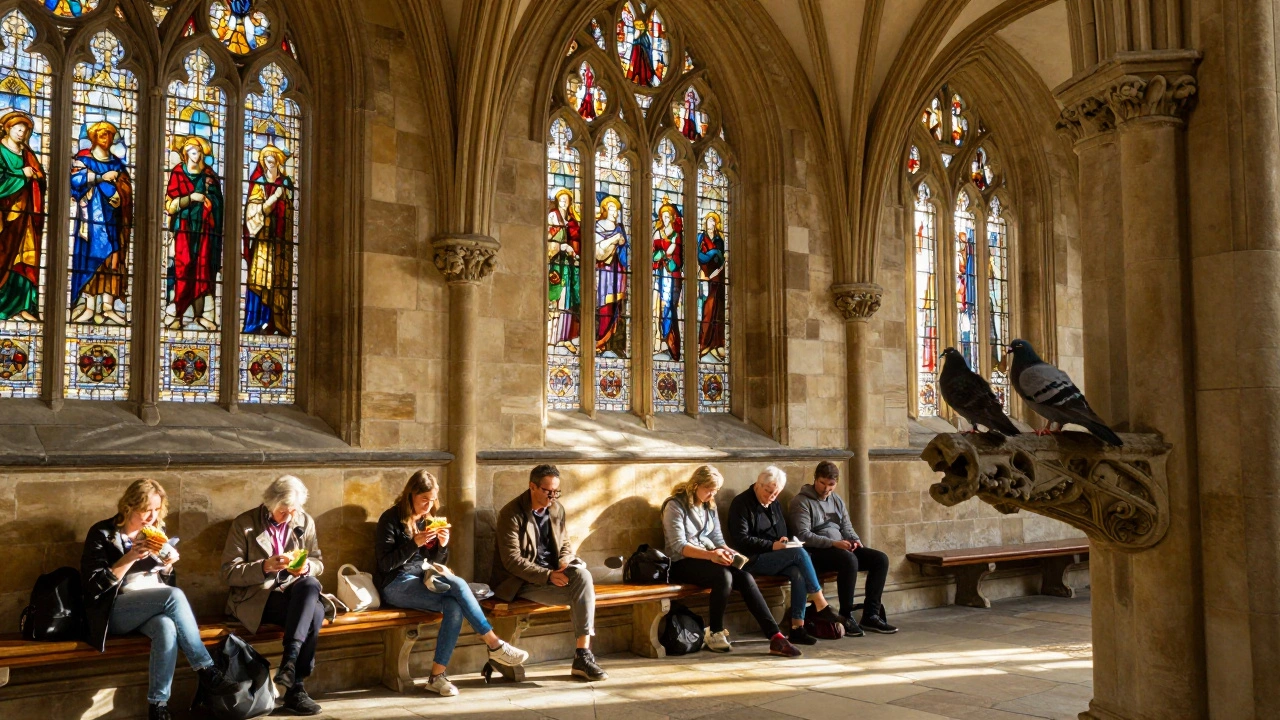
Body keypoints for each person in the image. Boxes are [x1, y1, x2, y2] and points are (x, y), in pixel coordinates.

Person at [81, 479, 236, 720]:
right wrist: (131, 556)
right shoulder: (103, 533)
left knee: (166, 627)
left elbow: (165, 585)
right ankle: (205, 668)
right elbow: (94, 587)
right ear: (129, 507)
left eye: (156, 510)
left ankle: (158, 706)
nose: (151, 516)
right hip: (114, 609)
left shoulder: (156, 531)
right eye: (146, 510)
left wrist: (166, 567)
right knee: (174, 596)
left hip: (150, 605)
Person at [375, 470, 530, 696]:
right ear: (411, 495)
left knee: (454, 605)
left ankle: (436, 677)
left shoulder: (428, 520)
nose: (428, 505)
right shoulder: (390, 519)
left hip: (423, 580)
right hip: (395, 584)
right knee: (458, 585)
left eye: (432, 500)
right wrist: (413, 543)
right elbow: (385, 564)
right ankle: (494, 643)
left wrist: (443, 546)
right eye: (423, 500)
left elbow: (435, 564)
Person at [662, 466, 802, 657]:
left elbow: (718, 540)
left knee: (745, 577)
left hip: (709, 558)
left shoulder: (709, 505)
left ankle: (775, 636)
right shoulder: (675, 505)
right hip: (681, 562)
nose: (712, 494)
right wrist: (711, 555)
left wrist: (732, 554)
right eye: (709, 489)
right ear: (695, 485)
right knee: (723, 575)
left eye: (716, 490)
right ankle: (715, 632)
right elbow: (679, 545)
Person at [491, 464, 607, 681]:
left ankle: (582, 654)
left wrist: (565, 560)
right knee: (584, 596)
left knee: (584, 577)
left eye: (557, 492)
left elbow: (564, 543)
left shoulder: (556, 509)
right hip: (520, 582)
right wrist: (547, 575)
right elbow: (512, 561)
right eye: (548, 491)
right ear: (532, 487)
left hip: (552, 576)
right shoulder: (511, 514)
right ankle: (582, 658)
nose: (553, 496)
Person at [221, 475, 325, 715]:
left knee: (309, 585)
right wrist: (264, 566)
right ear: (271, 503)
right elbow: (228, 573)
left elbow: (318, 561)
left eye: (293, 511)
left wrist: (306, 567)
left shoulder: (304, 521)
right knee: (315, 611)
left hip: (296, 593)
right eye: (283, 512)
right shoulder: (244, 524)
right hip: (258, 598)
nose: (289, 517)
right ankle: (296, 686)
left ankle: (290, 661)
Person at [726, 466, 845, 646]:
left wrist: (782, 540)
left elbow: (782, 530)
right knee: (798, 554)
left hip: (774, 556)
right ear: (758, 484)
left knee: (797, 571)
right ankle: (820, 602)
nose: (771, 497)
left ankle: (797, 627)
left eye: (776, 494)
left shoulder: (774, 504)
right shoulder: (741, 503)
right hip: (751, 559)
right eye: (768, 492)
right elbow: (741, 540)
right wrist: (773, 545)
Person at [788, 461, 898, 635]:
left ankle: (871, 615)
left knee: (880, 559)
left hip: (839, 548)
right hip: (815, 553)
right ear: (815, 479)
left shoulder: (836, 500)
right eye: (822, 483)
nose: (826, 489)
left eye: (831, 485)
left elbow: (846, 526)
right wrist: (833, 543)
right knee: (849, 559)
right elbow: (803, 536)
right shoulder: (801, 501)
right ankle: (846, 616)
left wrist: (855, 540)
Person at [70, 120, 132, 325]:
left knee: (112, 262)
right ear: (95, 137)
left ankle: (108, 307)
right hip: (91, 221)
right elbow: (75, 181)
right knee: (91, 260)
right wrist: (100, 178)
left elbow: (126, 188)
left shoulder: (116, 163)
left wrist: (121, 196)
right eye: (103, 135)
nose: (107, 139)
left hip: (113, 221)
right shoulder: (84, 159)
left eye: (110, 136)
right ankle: (89, 307)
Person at [164, 134, 223, 331]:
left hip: (206, 230)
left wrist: (210, 202)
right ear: (185, 154)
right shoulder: (178, 173)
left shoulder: (209, 176)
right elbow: (170, 206)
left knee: (203, 270)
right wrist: (191, 198)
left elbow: (218, 204)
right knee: (183, 268)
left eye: (198, 152)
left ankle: (202, 315)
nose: (195, 155)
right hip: (184, 228)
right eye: (191, 152)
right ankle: (178, 313)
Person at [242, 144, 294, 336]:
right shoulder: (259, 184)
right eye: (266, 162)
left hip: (280, 243)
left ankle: (276, 323)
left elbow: (290, 212)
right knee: (259, 280)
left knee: (279, 282)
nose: (268, 165)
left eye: (272, 162)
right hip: (263, 242)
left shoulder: (286, 184)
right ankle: (257, 322)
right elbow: (254, 212)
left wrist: (284, 197)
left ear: (279, 164)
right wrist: (274, 199)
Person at [0, 111, 44, 321]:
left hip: (26, 218)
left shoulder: (27, 154)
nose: (22, 133)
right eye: (18, 129)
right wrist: (21, 175)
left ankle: (23, 306)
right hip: (5, 218)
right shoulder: (0, 150)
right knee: (4, 256)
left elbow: (40, 179)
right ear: (8, 129)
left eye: (25, 130)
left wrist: (35, 177)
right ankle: (4, 307)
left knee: (25, 259)